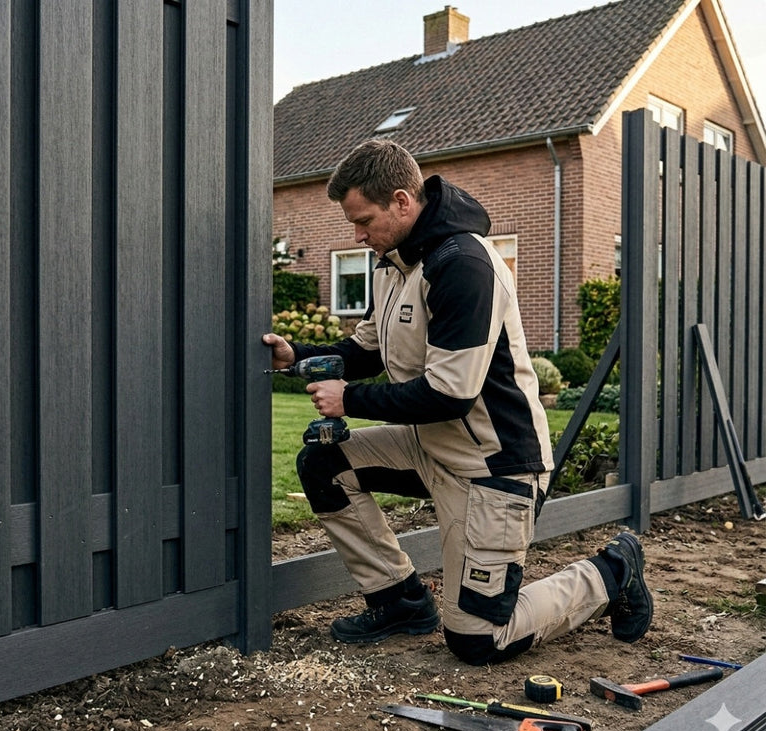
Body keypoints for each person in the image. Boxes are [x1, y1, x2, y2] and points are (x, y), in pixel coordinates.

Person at [262, 138, 653, 665]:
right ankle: (399, 600)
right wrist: (297, 355)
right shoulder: (393, 262)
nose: (357, 235)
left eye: (364, 220)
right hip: (432, 448)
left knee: (479, 640)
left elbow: (450, 393)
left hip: (493, 468)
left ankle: (610, 572)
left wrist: (347, 399)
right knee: (324, 463)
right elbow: (365, 349)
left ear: (402, 202)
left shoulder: (464, 264)